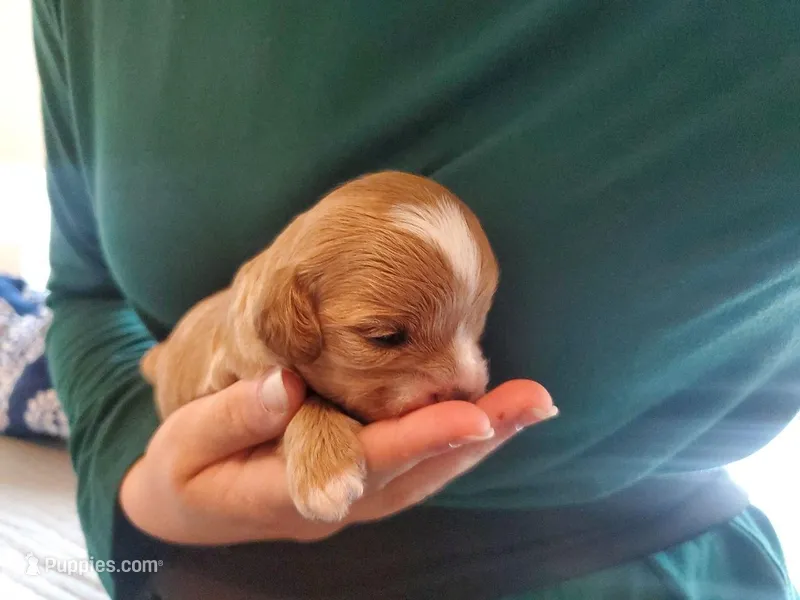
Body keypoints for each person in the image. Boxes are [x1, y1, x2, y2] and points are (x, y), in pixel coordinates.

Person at [33, 2, 799, 599]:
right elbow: (87, 294)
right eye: (390, 337)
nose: (466, 376)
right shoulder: (267, 318)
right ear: (291, 317)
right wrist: (133, 512)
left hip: (641, 565)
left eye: (470, 328)